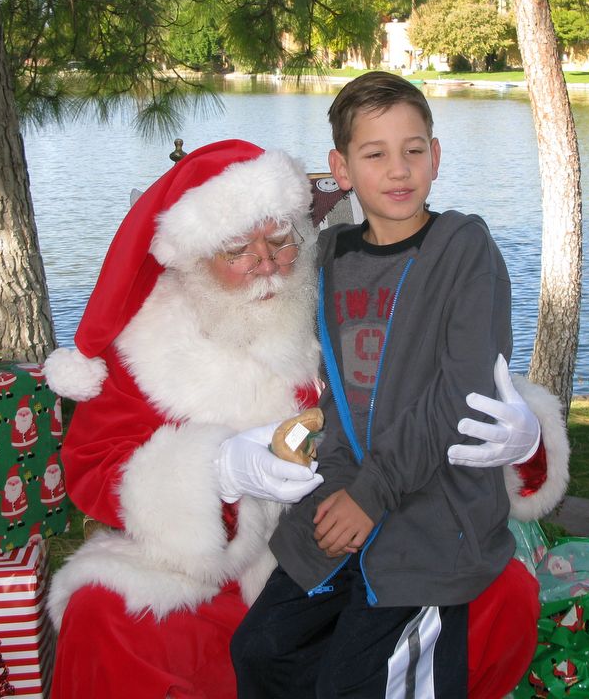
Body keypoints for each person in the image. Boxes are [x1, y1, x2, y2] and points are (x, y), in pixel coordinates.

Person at [43, 138, 567, 698]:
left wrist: (525, 441)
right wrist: (217, 474)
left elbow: (445, 386)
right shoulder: (147, 344)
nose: (266, 263)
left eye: (280, 240)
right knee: (107, 613)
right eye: (237, 250)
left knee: (498, 591)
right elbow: (96, 466)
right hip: (218, 570)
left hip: (370, 534)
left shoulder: (350, 289)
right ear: (195, 260)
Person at [232, 72, 561, 698]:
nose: (399, 169)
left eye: (414, 149)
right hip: (341, 504)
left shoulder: (463, 249)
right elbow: (255, 260)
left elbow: (460, 396)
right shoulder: (331, 256)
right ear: (343, 167)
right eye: (374, 153)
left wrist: (373, 494)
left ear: (436, 156)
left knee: (359, 684)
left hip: (428, 519)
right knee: (261, 650)